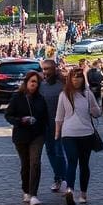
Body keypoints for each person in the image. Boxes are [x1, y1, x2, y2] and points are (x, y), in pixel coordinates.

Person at [55, 67, 102, 205]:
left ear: (83, 79)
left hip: (86, 133)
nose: (76, 80)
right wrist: (57, 133)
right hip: (69, 133)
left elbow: (97, 112)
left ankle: (83, 193)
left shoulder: (88, 94)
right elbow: (59, 116)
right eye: (74, 77)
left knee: (84, 164)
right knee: (72, 161)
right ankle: (70, 189)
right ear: (70, 79)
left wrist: (93, 109)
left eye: (79, 77)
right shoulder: (64, 95)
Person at [5, 71, 49, 205]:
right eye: (32, 82)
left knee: (35, 162)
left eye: (36, 82)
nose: (34, 84)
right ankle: (26, 190)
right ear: (26, 82)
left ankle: (34, 194)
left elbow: (45, 118)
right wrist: (21, 120)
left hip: (37, 135)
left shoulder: (41, 99)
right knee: (26, 164)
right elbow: (8, 115)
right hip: (21, 136)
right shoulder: (17, 97)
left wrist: (45, 129)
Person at [39, 58, 67, 194]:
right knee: (50, 152)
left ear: (54, 69)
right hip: (45, 125)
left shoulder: (62, 85)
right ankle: (58, 178)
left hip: (60, 124)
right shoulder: (41, 85)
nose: (45, 72)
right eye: (43, 69)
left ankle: (65, 179)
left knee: (59, 151)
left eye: (47, 69)